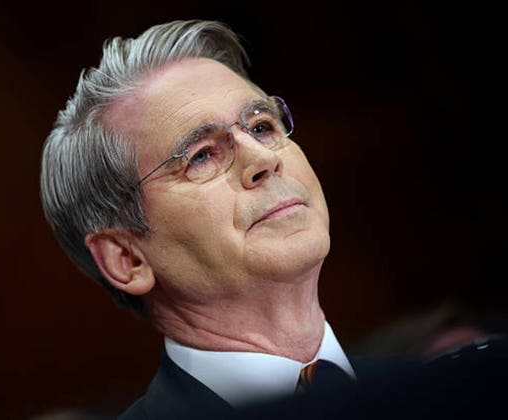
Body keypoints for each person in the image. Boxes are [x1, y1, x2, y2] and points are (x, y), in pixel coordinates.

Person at [40, 20, 507, 420]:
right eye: (201, 155)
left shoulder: (448, 396)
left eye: (262, 126)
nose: (264, 159)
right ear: (127, 259)